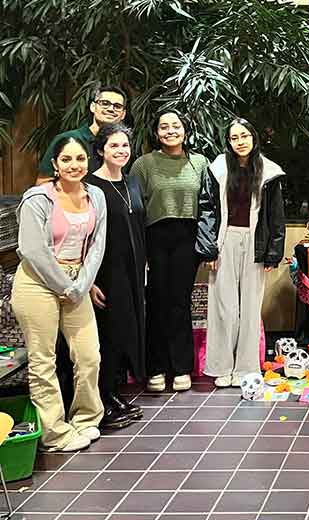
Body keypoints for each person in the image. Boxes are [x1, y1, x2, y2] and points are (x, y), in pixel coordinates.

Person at [12, 137, 107, 451]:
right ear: (54, 164)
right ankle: (55, 433)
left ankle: (86, 419)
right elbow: (32, 250)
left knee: (89, 355)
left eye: (80, 158)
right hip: (37, 283)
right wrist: (65, 286)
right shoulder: (37, 198)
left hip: (76, 283)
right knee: (43, 361)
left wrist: (80, 285)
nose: (74, 165)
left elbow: (97, 246)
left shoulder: (96, 195)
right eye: (66, 159)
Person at [196, 119, 286, 387]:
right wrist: (208, 247)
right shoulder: (218, 169)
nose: (240, 141)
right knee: (223, 306)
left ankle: (246, 368)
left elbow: (275, 216)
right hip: (225, 240)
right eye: (234, 137)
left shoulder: (269, 172)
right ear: (228, 142)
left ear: (254, 137)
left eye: (245, 135)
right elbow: (207, 209)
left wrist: (273, 252)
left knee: (250, 306)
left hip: (255, 242)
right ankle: (220, 366)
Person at [130, 111, 209, 392]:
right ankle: (156, 367)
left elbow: (209, 205)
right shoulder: (143, 164)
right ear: (156, 133)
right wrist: (140, 251)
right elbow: (134, 209)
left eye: (176, 125)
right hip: (155, 237)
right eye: (164, 126)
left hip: (188, 237)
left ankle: (181, 368)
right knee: (156, 302)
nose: (170, 130)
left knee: (179, 302)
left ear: (185, 130)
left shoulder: (199, 162)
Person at [85, 124, 147, 428]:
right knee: (107, 337)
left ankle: (114, 394)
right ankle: (101, 402)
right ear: (100, 150)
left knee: (124, 334)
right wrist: (90, 281)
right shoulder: (91, 186)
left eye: (125, 145)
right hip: (106, 273)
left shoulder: (132, 183)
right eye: (114, 146)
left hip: (132, 270)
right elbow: (85, 236)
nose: (121, 151)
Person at [37, 85, 127, 182]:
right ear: (93, 107)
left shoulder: (123, 149)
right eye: (105, 103)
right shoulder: (68, 139)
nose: (111, 109)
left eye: (117, 106)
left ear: (123, 114)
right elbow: (43, 182)